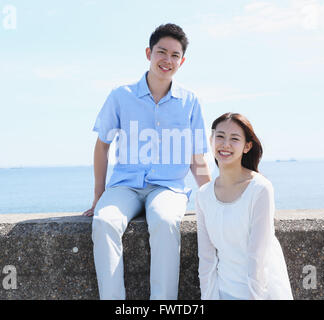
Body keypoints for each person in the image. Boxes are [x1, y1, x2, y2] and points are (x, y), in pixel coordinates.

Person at [83, 23, 212, 300]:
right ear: (148, 53)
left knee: (165, 222)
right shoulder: (121, 96)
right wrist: (98, 195)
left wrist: (210, 199)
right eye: (161, 52)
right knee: (104, 221)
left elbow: (197, 157)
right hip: (124, 186)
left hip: (168, 188)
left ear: (182, 60)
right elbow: (102, 146)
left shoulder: (190, 102)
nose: (167, 60)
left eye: (175, 55)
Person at [195, 112, 293, 300]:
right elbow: (206, 259)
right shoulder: (203, 195)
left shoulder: (260, 188)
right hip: (223, 292)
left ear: (247, 146)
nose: (225, 145)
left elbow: (258, 256)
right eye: (220, 137)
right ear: (211, 140)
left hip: (262, 293)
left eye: (235, 139)